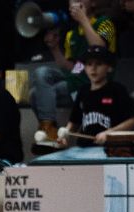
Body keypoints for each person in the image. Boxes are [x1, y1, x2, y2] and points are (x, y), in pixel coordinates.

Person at [30, 0, 117, 148]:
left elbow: (100, 50)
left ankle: (50, 135)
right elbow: (72, 67)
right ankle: (49, 130)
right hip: (75, 79)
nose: (74, 4)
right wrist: (55, 48)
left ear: (93, 3)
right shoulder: (72, 34)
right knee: (40, 75)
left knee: (35, 94)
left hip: (93, 83)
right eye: (72, 1)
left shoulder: (105, 23)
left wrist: (83, 19)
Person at [43, 46, 134, 160]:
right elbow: (74, 122)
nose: (93, 68)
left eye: (98, 64)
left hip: (108, 149)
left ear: (109, 68)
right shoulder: (83, 91)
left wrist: (110, 133)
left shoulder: (117, 90)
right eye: (89, 64)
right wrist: (65, 136)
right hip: (82, 148)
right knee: (47, 160)